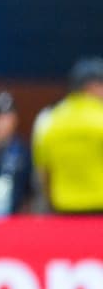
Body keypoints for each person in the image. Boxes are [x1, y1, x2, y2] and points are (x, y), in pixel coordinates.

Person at [33, 57, 103, 214]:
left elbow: (43, 171)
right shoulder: (101, 116)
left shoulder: (49, 118)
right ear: (92, 87)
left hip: (63, 209)